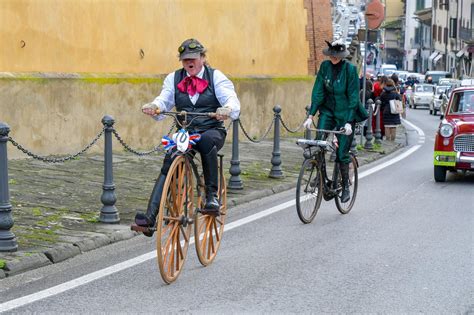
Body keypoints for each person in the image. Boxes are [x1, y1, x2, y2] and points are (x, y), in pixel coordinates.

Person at [136, 38, 240, 234]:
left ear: (202, 57)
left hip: (211, 129)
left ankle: (211, 196)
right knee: (170, 158)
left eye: (193, 58)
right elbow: (164, 100)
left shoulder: (215, 77)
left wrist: (226, 109)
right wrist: (155, 107)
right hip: (186, 133)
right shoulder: (173, 79)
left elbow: (231, 100)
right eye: (185, 60)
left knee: (207, 141)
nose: (189, 63)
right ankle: (151, 217)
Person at [303, 40, 368, 203]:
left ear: (342, 56)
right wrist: (311, 115)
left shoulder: (350, 70)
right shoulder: (325, 67)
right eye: (331, 55)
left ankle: (345, 185)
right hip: (328, 111)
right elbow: (318, 90)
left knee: (341, 153)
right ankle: (319, 176)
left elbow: (353, 96)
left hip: (346, 112)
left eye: (336, 55)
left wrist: (348, 122)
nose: (333, 58)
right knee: (319, 143)